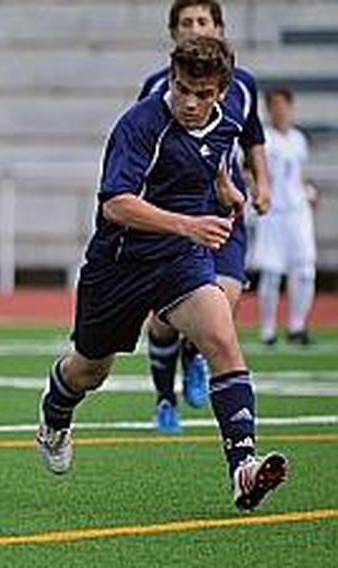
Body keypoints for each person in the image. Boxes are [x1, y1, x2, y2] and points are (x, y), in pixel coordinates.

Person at [35, 37, 287, 511]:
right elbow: (115, 204)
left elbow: (210, 163)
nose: (190, 102)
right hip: (119, 263)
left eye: (202, 93)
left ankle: (243, 466)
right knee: (90, 369)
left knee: (222, 338)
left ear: (221, 90)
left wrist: (227, 189)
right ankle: (55, 412)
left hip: (179, 259)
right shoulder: (140, 123)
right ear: (171, 78)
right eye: (182, 89)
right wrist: (188, 223)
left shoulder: (229, 119)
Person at [136, 0, 271, 432]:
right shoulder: (156, 88)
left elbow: (253, 141)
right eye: (187, 22)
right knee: (161, 323)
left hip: (220, 219)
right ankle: (163, 398)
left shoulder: (242, 85)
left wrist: (261, 184)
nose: (197, 28)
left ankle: (196, 355)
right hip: (171, 221)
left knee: (221, 306)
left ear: (219, 28)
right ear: (174, 32)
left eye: (204, 21)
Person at [253, 87, 317, 345]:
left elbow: (298, 173)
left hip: (297, 212)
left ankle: (296, 327)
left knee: (304, 271)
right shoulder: (263, 140)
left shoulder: (298, 139)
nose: (279, 110)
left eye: (283, 105)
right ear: (268, 109)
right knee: (270, 273)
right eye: (274, 105)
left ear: (290, 107)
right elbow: (253, 171)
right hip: (273, 212)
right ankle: (268, 331)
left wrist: (307, 190)